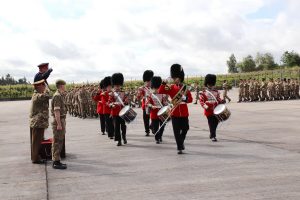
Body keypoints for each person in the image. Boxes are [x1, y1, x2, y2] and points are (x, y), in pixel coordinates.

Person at [158, 64, 193, 154]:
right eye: (174, 77)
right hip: (174, 112)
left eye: (176, 77)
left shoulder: (185, 88)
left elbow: (191, 99)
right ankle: (179, 147)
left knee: (185, 128)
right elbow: (160, 91)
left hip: (184, 112)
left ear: (180, 77)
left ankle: (181, 141)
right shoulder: (171, 87)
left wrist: (185, 98)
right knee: (176, 131)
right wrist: (163, 83)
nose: (175, 79)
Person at [29, 79, 50, 164]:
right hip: (37, 123)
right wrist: (48, 89)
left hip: (39, 122)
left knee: (37, 141)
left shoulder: (37, 95)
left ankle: (36, 157)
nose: (44, 87)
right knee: (36, 142)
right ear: (38, 86)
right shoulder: (37, 95)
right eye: (43, 85)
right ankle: (35, 158)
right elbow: (46, 96)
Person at [199, 74, 224, 142]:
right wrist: (205, 107)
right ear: (207, 84)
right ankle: (213, 135)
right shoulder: (203, 92)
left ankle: (212, 133)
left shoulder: (216, 92)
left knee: (216, 122)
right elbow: (201, 101)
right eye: (209, 84)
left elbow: (218, 99)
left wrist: (222, 101)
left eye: (211, 84)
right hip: (208, 110)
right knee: (211, 123)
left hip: (216, 110)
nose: (210, 86)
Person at [51, 79, 67, 169]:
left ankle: (57, 160)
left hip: (61, 120)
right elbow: (56, 111)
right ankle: (56, 162)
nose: (65, 87)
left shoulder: (59, 95)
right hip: (59, 120)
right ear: (61, 86)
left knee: (59, 141)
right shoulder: (57, 96)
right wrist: (59, 124)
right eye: (64, 85)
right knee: (57, 141)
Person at [147, 76, 168, 144]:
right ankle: (157, 138)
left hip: (162, 112)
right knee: (155, 128)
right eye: (155, 88)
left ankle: (160, 136)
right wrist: (152, 106)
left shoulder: (163, 95)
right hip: (154, 113)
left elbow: (165, 103)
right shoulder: (150, 95)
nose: (156, 89)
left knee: (162, 126)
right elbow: (148, 103)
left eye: (157, 88)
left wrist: (167, 104)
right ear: (153, 87)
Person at [109, 73, 128, 146]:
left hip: (123, 112)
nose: (117, 87)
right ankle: (119, 140)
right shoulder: (112, 94)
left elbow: (126, 100)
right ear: (114, 85)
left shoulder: (124, 93)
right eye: (116, 85)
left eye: (118, 85)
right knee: (116, 127)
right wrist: (112, 105)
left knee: (123, 126)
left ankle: (124, 136)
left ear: (120, 85)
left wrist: (126, 101)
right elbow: (109, 102)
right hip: (115, 112)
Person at [137, 70, 154, 136]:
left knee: (154, 118)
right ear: (145, 81)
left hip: (152, 105)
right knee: (146, 119)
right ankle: (147, 131)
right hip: (145, 105)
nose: (149, 82)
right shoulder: (142, 88)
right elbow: (138, 97)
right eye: (147, 81)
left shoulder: (153, 88)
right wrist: (140, 95)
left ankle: (152, 126)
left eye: (150, 81)